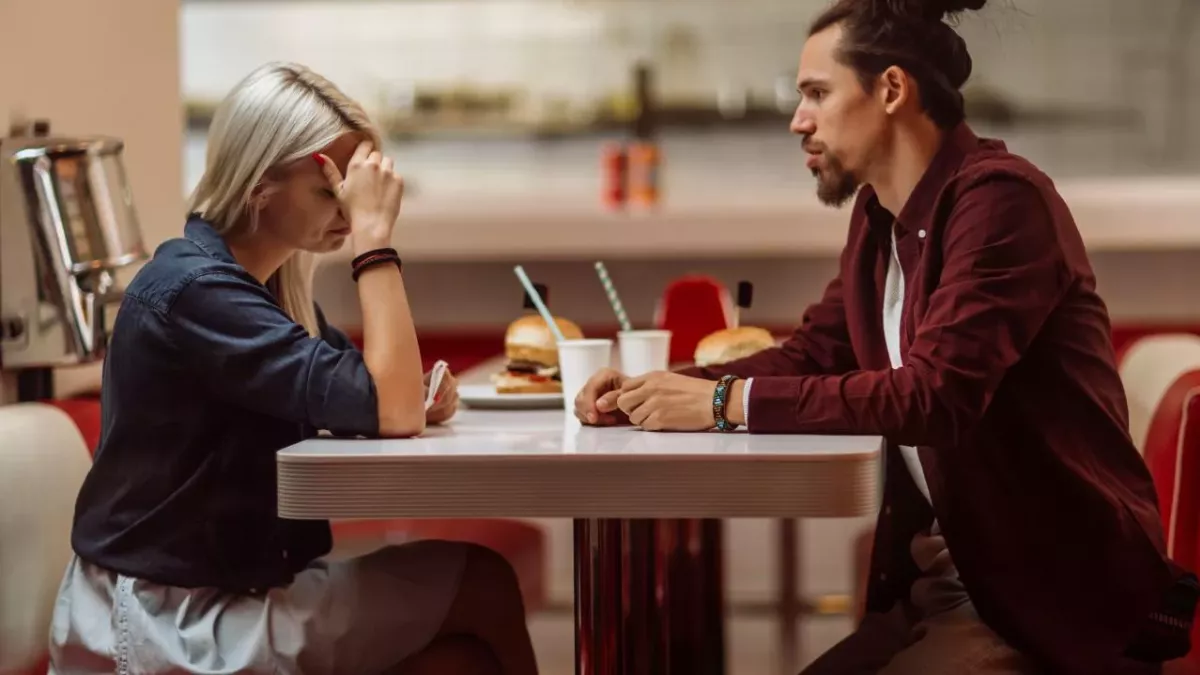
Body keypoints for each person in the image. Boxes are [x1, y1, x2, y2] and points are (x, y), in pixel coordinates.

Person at [575, 1, 1196, 673]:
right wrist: (663, 388)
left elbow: (936, 396)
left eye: (816, 93)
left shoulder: (1001, 203)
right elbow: (814, 352)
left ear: (892, 90)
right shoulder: (880, 216)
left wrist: (725, 402)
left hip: (1045, 609)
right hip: (950, 594)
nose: (798, 120)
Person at [49, 62, 538, 675]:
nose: (346, 210)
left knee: (457, 658)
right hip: (170, 619)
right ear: (257, 183)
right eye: (328, 190)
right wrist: (374, 238)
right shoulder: (199, 291)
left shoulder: (259, 290)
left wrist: (401, 396)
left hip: (220, 591)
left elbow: (380, 396)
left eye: (352, 193)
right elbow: (392, 409)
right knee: (480, 582)